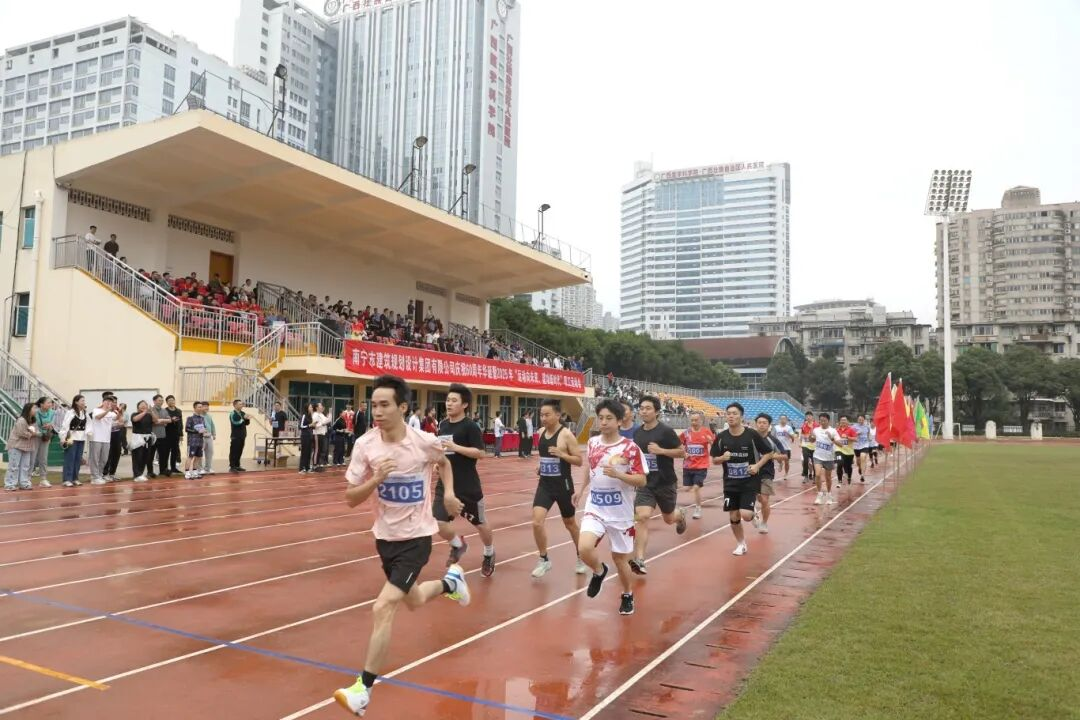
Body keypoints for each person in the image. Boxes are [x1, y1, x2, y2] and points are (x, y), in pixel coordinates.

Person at [332, 374, 470, 717]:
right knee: (415, 599)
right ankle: (451, 583)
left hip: (417, 537)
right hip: (385, 538)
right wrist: (376, 479)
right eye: (374, 405)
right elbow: (350, 498)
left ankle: (363, 690)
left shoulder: (423, 441)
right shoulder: (365, 445)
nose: (377, 412)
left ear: (403, 407)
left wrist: (449, 493)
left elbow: (444, 463)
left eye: (385, 405)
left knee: (383, 607)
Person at [575, 399, 648, 615]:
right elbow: (590, 467)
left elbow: (642, 480)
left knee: (620, 559)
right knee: (584, 548)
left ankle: (627, 594)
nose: (604, 422)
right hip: (595, 507)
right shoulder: (592, 442)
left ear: (619, 422)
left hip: (620, 513)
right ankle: (599, 571)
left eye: (609, 418)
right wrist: (580, 489)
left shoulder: (630, 448)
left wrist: (618, 475)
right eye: (601, 418)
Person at [434, 384, 497, 577]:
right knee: (438, 522)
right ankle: (458, 544)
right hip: (445, 483)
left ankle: (489, 553)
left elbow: (481, 453)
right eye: (448, 400)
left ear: (464, 405)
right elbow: (442, 450)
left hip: (468, 486)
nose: (449, 404)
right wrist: (438, 462)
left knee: (480, 523)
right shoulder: (443, 425)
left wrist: (456, 447)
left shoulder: (471, 426)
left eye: (454, 401)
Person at [710, 402, 778, 556]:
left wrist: (757, 466)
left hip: (749, 481)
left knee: (746, 515)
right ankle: (741, 544)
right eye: (728, 414)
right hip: (730, 483)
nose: (731, 416)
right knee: (734, 516)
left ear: (741, 416)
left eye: (734, 413)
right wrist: (722, 458)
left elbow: (768, 453)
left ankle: (752, 513)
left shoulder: (752, 435)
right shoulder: (721, 437)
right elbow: (714, 460)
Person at [630, 395, 687, 575]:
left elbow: (682, 453)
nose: (644, 411)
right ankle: (640, 559)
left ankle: (680, 515)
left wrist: (661, 451)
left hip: (665, 482)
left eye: (648, 408)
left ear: (656, 412)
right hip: (646, 483)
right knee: (642, 517)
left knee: (668, 518)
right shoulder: (637, 433)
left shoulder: (666, 432)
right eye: (641, 408)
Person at [531, 399, 586, 578]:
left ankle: (581, 556)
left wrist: (562, 454)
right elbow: (544, 456)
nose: (543, 418)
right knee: (537, 522)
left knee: (570, 524)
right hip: (545, 485)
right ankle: (544, 559)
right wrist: (541, 465)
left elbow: (579, 461)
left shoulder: (567, 435)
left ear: (557, 415)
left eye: (547, 415)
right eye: (541, 415)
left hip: (563, 485)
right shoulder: (540, 432)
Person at [752, 413, 785, 534]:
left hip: (766, 472)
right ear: (756, 424)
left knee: (764, 500)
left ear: (769, 425)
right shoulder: (750, 438)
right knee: (754, 497)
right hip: (750, 472)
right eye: (759, 422)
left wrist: (774, 456)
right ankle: (753, 513)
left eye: (764, 423)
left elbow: (785, 455)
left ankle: (764, 523)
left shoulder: (773, 440)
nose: (761, 425)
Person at [680, 410, 714, 520]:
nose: (694, 422)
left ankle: (698, 508)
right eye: (692, 420)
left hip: (701, 466)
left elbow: (715, 445)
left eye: (696, 420)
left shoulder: (706, 432)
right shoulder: (686, 433)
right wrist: (683, 452)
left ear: (701, 421)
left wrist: (711, 442)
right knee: (686, 488)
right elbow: (678, 443)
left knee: (696, 488)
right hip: (688, 466)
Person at [4, 403, 39, 491]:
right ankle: (10, 484)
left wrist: (36, 433)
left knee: (25, 466)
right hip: (16, 445)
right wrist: (32, 434)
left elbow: (36, 431)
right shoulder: (21, 420)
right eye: (34, 408)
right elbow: (21, 433)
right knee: (14, 466)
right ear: (28, 409)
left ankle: (23, 483)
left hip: (27, 446)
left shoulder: (33, 420)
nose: (36, 410)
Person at [811, 413, 842, 505]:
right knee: (817, 475)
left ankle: (829, 494)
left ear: (828, 421)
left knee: (828, 477)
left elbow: (840, 444)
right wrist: (810, 436)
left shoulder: (833, 431)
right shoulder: (816, 430)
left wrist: (831, 438)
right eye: (821, 420)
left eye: (824, 420)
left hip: (829, 457)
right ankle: (819, 494)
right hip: (817, 456)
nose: (822, 422)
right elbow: (811, 440)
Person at [88, 395, 118, 485]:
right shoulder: (96, 410)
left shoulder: (112, 413)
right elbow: (98, 417)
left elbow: (118, 420)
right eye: (107, 401)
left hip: (106, 439)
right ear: (103, 402)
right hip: (96, 438)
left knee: (104, 459)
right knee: (95, 458)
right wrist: (108, 410)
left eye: (110, 402)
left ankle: (100, 475)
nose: (109, 403)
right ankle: (94, 477)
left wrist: (120, 412)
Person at [59, 395, 88, 487]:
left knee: (78, 459)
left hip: (81, 438)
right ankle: (67, 479)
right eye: (82, 400)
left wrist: (88, 432)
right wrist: (63, 438)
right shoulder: (70, 412)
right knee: (70, 458)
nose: (83, 402)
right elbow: (65, 425)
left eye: (84, 400)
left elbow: (89, 425)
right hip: (72, 438)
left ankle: (75, 478)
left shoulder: (84, 413)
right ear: (76, 402)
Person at [30, 397, 56, 488]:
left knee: (43, 458)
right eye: (48, 403)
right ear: (41, 404)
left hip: (46, 437)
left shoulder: (52, 412)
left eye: (51, 403)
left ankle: (43, 479)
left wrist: (50, 426)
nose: (50, 404)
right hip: (35, 437)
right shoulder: (35, 412)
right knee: (32, 458)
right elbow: (32, 424)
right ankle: (27, 479)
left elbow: (54, 424)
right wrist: (39, 431)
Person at [129, 401, 155, 482]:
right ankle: (136, 475)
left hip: (147, 438)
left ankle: (140, 473)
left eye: (145, 405)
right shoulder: (134, 414)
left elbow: (156, 420)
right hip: (138, 438)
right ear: (138, 407)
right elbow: (135, 419)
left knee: (145, 456)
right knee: (137, 456)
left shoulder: (149, 415)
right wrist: (144, 412)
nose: (144, 406)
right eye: (142, 405)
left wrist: (152, 412)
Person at [103, 402, 127, 482]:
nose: (115, 405)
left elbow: (122, 422)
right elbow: (108, 424)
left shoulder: (116, 412)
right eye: (112, 403)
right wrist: (116, 423)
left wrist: (117, 423)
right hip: (108, 435)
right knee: (108, 454)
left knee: (117, 453)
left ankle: (112, 473)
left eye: (116, 403)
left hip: (117, 434)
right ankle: (105, 473)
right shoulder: (104, 412)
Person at [184, 402, 209, 479]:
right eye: (199, 407)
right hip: (192, 441)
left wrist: (205, 431)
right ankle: (187, 472)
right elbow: (187, 429)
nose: (201, 408)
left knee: (198, 457)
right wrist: (197, 431)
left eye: (201, 407)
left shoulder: (202, 418)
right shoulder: (190, 418)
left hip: (200, 441)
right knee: (190, 457)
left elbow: (204, 428)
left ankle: (195, 472)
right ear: (194, 408)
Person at [150, 394, 171, 477]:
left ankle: (162, 471)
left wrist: (160, 420)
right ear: (154, 401)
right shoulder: (150, 410)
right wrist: (163, 421)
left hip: (162, 436)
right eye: (159, 400)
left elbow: (169, 420)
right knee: (150, 455)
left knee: (163, 455)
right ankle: (150, 471)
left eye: (162, 400)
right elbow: (153, 422)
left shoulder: (164, 410)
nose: (161, 402)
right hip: (153, 437)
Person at [834, 415, 858, 485]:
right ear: (839, 422)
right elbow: (833, 439)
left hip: (849, 452)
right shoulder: (836, 431)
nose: (843, 421)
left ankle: (849, 477)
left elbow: (856, 439)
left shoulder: (851, 430)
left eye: (844, 420)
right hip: (839, 450)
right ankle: (839, 480)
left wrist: (847, 437)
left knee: (848, 467)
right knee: (839, 463)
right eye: (842, 420)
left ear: (847, 422)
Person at [229, 399, 250, 472]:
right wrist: (243, 419)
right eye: (240, 404)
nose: (242, 405)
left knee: (240, 450)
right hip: (235, 435)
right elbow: (235, 422)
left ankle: (237, 465)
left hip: (242, 435)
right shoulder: (233, 413)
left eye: (242, 404)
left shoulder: (243, 413)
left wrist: (247, 419)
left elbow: (246, 423)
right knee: (234, 451)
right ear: (235, 405)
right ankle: (232, 466)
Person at [774, 414, 795, 478]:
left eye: (784, 419)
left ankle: (786, 473)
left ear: (786, 420)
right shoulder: (775, 427)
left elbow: (793, 438)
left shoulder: (789, 428)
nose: (783, 420)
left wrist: (787, 434)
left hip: (786, 447)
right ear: (779, 419)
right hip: (777, 447)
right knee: (777, 457)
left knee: (787, 462)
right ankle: (780, 463)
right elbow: (772, 436)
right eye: (781, 419)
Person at [799, 411, 817, 483]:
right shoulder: (804, 425)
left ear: (812, 417)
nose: (808, 417)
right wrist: (800, 442)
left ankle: (815, 476)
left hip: (814, 446)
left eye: (810, 416)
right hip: (805, 445)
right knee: (805, 460)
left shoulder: (816, 425)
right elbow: (802, 435)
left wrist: (812, 432)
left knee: (814, 462)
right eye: (807, 416)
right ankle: (805, 476)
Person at [298, 403, 315, 474]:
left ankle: (307, 468)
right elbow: (301, 426)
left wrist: (314, 425)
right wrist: (309, 425)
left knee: (309, 452)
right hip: (305, 436)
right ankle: (301, 468)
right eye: (310, 407)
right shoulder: (304, 415)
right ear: (307, 408)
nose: (312, 408)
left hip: (310, 436)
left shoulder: (310, 416)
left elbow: (312, 426)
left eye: (312, 407)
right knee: (304, 452)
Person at [312, 402, 329, 470]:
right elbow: (314, 426)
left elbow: (327, 421)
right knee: (317, 450)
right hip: (317, 434)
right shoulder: (315, 415)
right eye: (320, 405)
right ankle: (314, 465)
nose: (322, 406)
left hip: (323, 434)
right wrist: (322, 424)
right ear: (316, 408)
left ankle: (319, 464)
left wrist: (329, 416)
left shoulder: (322, 414)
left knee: (321, 450)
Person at [202, 405, 217, 474]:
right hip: (201, 437)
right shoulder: (199, 416)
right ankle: (199, 469)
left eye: (207, 407)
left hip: (209, 437)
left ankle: (208, 468)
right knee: (200, 454)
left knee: (210, 453)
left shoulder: (209, 416)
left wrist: (214, 434)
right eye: (205, 406)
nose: (207, 408)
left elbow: (212, 425)